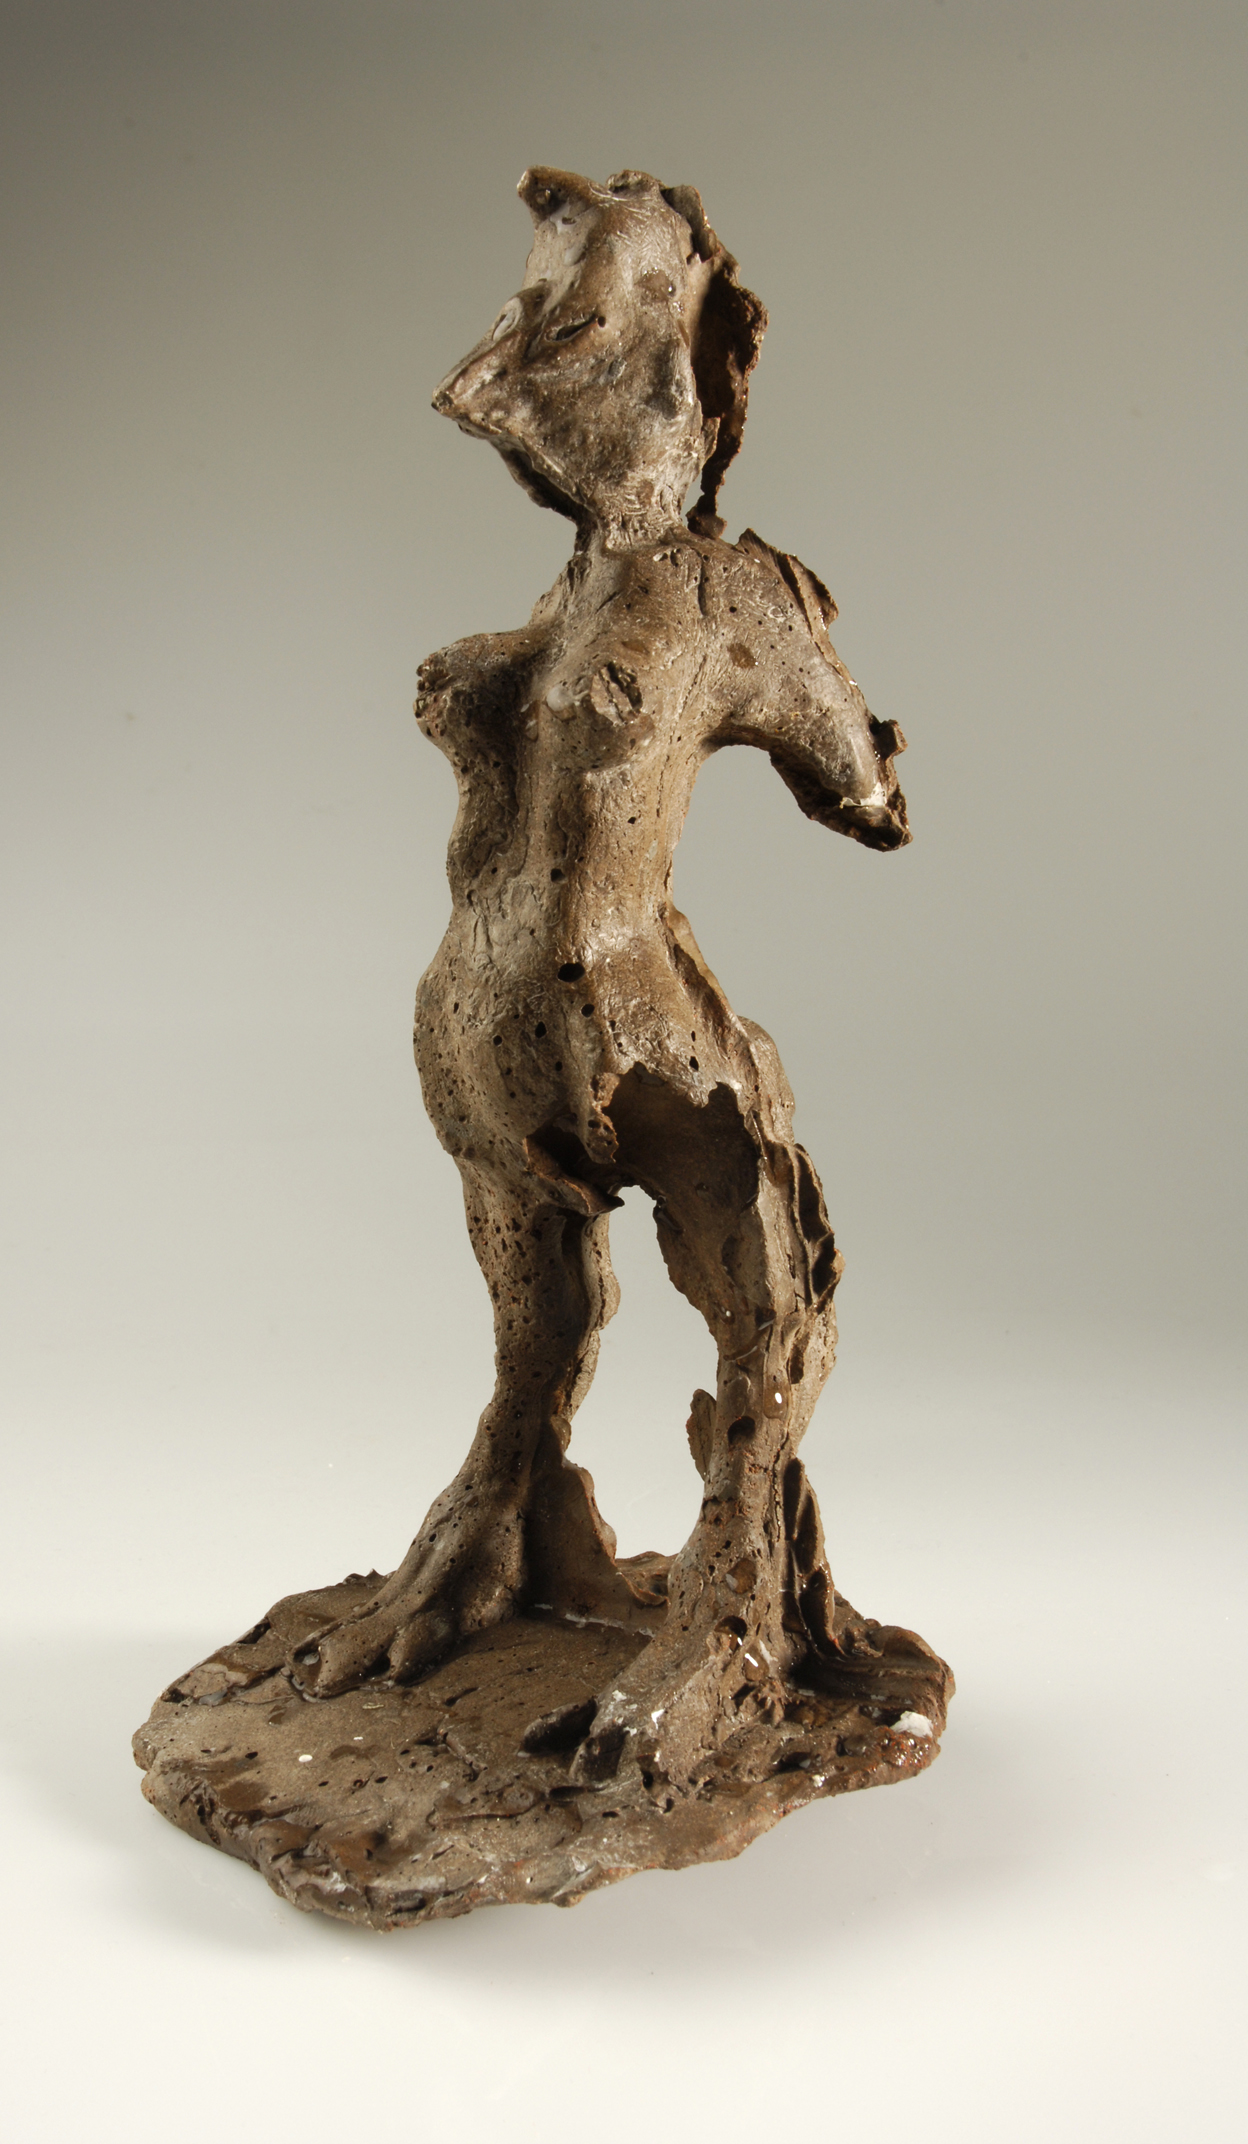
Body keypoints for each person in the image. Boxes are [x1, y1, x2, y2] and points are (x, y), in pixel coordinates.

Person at [305, 169, 912, 1789]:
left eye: (568, 328)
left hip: (634, 1043)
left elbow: (864, 791)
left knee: (761, 1308)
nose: (499, 376)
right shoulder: (571, 591)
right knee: (536, 1335)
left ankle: (728, 1609)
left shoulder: (732, 595)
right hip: (480, 1047)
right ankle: (500, 1518)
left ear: (680, 367)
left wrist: (841, 737)